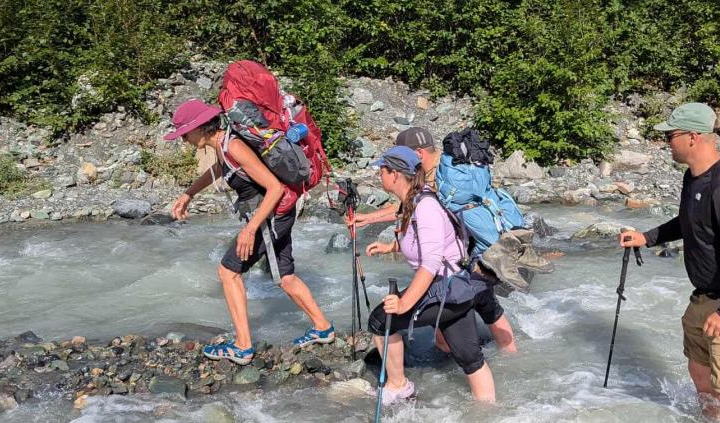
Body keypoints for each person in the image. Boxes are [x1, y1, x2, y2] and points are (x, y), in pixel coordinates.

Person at [618, 103, 720, 423]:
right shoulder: (694, 178)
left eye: (670, 136)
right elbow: (690, 220)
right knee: (701, 377)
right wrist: (647, 237)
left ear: (693, 137)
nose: (667, 143)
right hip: (706, 299)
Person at [165, 99, 334, 364]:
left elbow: (274, 189)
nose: (183, 139)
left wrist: (250, 229)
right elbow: (221, 170)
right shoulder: (223, 145)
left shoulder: (233, 145)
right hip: (278, 213)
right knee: (285, 276)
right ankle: (322, 327)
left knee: (228, 271)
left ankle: (242, 346)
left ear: (199, 128)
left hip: (271, 215)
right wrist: (189, 194)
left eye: (184, 133)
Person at [352, 127, 518, 354]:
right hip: (474, 253)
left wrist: (372, 219)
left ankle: (457, 362)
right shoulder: (453, 169)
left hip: (457, 263)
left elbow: (417, 209)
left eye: (406, 153)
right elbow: (409, 207)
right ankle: (510, 358)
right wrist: (373, 220)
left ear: (418, 153)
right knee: (489, 309)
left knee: (452, 324)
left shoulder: (436, 178)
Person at [365, 146, 495, 405]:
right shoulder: (414, 201)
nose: (379, 175)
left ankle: (398, 385)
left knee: (381, 321)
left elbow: (430, 264)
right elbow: (427, 243)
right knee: (470, 358)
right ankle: (490, 411)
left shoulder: (425, 207)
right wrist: (391, 247)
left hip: (445, 290)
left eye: (382, 170)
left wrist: (403, 304)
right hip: (457, 288)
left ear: (395, 175)